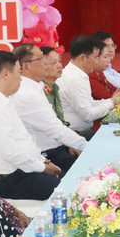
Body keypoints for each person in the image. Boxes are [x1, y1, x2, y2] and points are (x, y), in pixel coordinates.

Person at [0, 50, 61, 201]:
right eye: (18, 72)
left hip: (24, 171)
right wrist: (42, 167)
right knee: (66, 192)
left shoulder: (5, 101)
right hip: (11, 181)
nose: (21, 79)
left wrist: (40, 162)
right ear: (5, 74)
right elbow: (12, 153)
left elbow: (23, 142)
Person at [11, 43, 86, 173]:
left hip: (56, 148)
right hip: (46, 155)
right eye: (40, 58)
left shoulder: (35, 86)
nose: (45, 62)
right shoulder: (27, 94)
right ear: (26, 66)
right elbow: (56, 130)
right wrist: (87, 146)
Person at [58, 35, 116, 133]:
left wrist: (112, 101)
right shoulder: (74, 78)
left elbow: (90, 104)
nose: (97, 62)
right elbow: (88, 115)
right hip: (78, 134)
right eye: (96, 57)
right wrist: (112, 103)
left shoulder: (80, 75)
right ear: (83, 58)